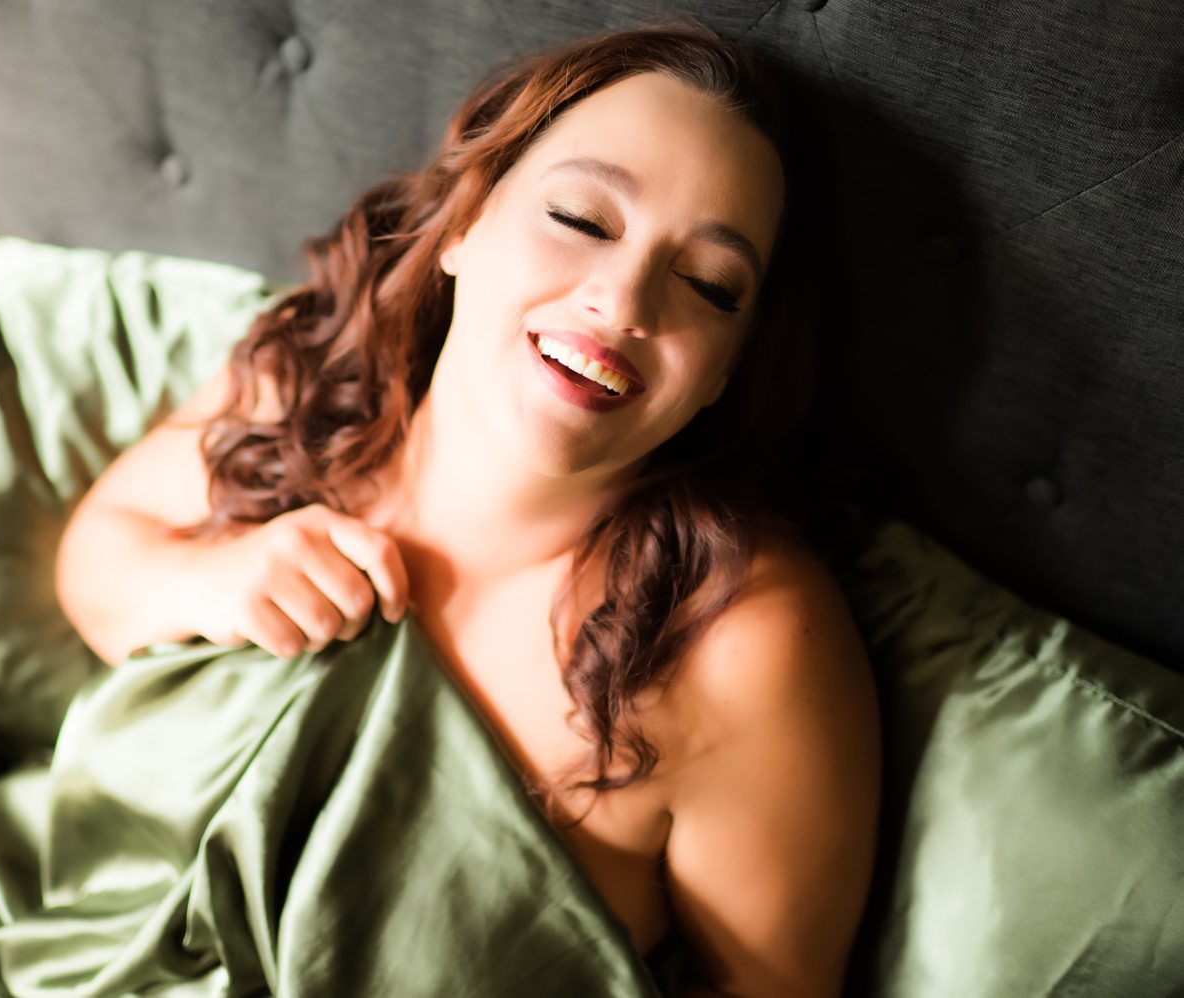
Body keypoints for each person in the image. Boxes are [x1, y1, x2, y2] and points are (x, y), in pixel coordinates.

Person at [56, 17, 881, 997]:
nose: (623, 302)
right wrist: (213, 579)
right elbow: (93, 563)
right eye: (582, 219)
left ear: (726, 372)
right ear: (464, 224)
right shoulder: (316, 378)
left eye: (708, 284)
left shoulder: (741, 638)